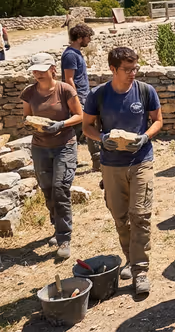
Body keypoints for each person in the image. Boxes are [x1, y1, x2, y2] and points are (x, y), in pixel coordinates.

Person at [82, 47, 163, 297]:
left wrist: (145, 137)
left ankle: (140, 271)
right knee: (120, 217)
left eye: (134, 68)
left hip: (141, 161)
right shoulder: (98, 95)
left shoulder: (145, 91)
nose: (132, 73)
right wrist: (102, 138)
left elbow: (158, 121)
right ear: (112, 69)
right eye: (127, 69)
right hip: (111, 165)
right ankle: (130, 258)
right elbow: (86, 126)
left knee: (140, 215)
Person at [21, 53, 83, 259]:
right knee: (47, 189)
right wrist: (31, 124)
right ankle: (57, 226)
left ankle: (64, 237)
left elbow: (79, 115)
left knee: (60, 188)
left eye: (42, 70)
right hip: (40, 147)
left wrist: (61, 124)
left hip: (64, 145)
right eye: (34, 71)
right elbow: (26, 116)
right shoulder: (29, 92)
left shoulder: (65, 89)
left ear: (53, 69)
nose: (38, 74)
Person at [61, 23, 100, 170]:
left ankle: (70, 159)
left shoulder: (75, 53)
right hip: (78, 98)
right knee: (86, 126)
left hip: (83, 96)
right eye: (87, 37)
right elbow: (69, 79)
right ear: (79, 38)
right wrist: (76, 99)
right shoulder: (70, 55)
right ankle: (96, 160)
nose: (89, 40)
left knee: (80, 128)